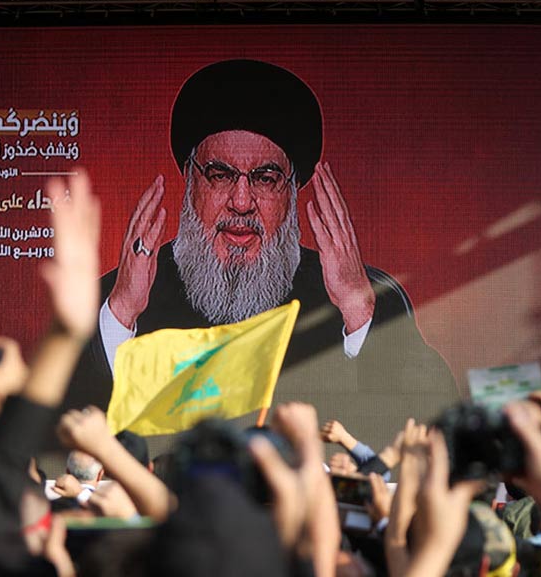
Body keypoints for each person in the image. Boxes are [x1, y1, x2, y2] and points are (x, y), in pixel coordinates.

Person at [70, 59, 458, 443]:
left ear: (291, 192)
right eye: (220, 175)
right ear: (190, 181)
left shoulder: (367, 299)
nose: (241, 201)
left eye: (266, 178)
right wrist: (119, 319)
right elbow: (60, 441)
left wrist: (359, 313)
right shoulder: (114, 301)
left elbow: (437, 433)